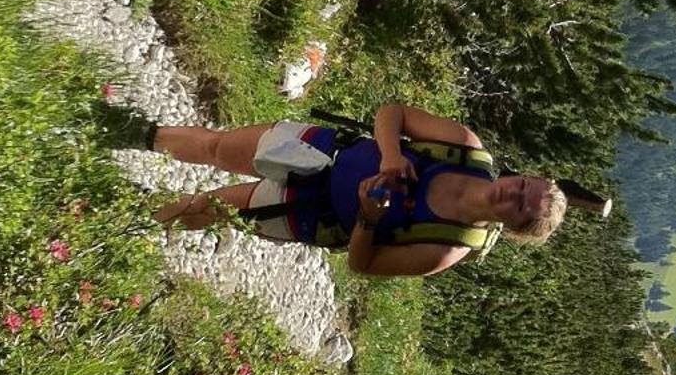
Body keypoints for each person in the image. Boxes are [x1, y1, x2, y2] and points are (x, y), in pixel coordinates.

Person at [136, 104, 568, 276]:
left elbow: (364, 263)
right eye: (522, 185)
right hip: (320, 150)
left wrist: (367, 218)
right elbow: (391, 113)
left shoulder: (444, 249)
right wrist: (391, 157)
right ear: (520, 175)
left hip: (308, 213)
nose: (512, 193)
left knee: (207, 209)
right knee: (215, 146)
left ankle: (131, 217)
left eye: (520, 206)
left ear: (511, 226)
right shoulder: (464, 148)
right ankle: (132, 132)